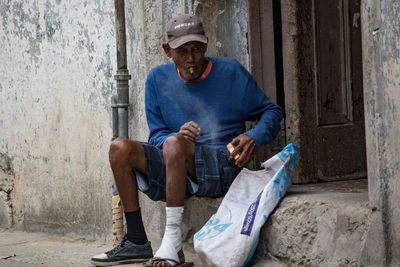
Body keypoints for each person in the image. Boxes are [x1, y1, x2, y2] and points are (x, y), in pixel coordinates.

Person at [91, 14, 283, 267]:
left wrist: (253, 136)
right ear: (167, 50)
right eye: (182, 51)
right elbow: (157, 135)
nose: (191, 58)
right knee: (120, 148)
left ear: (206, 45)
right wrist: (177, 138)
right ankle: (137, 240)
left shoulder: (230, 72)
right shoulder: (157, 79)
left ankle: (172, 243)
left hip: (225, 164)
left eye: (196, 49)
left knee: (173, 144)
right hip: (177, 165)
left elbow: (272, 111)